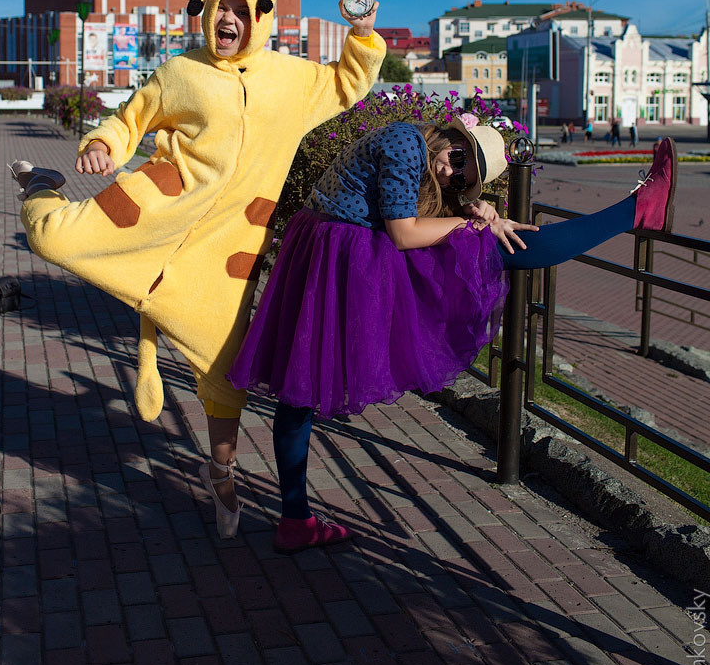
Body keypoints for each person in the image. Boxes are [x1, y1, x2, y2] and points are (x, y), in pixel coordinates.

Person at [9, 0, 386, 539]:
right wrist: (103, 145)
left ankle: (222, 472)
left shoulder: (292, 79)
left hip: (229, 252)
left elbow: (347, 83)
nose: (228, 19)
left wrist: (362, 31)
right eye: (220, 9)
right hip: (156, 211)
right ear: (206, 13)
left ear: (261, 17)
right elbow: (128, 120)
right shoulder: (179, 72)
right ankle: (41, 187)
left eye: (240, 9)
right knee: (49, 236)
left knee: (221, 374)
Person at [228, 115, 677, 553]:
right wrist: (474, 224)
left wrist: (472, 210)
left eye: (463, 175)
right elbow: (404, 234)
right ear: (447, 134)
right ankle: (638, 210)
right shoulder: (406, 141)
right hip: (344, 255)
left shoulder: (415, 153)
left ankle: (295, 520)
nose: (454, 170)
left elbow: (405, 208)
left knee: (300, 385)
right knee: (504, 249)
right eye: (459, 157)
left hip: (328, 251)